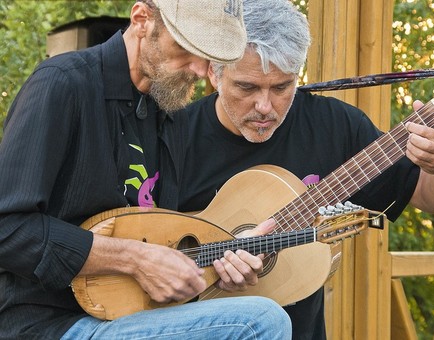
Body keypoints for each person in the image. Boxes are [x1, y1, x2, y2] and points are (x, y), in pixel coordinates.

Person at [0, 0, 293, 339]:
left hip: (130, 316)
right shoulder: (63, 83)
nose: (199, 70)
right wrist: (133, 258)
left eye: (209, 56)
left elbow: (159, 246)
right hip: (48, 325)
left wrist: (222, 255)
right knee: (260, 321)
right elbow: (7, 227)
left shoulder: (166, 112)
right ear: (142, 20)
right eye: (186, 47)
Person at [176, 0, 434, 339]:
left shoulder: (336, 127)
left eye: (282, 87)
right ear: (214, 71)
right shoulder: (174, 135)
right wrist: (210, 263)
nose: (265, 106)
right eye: (247, 87)